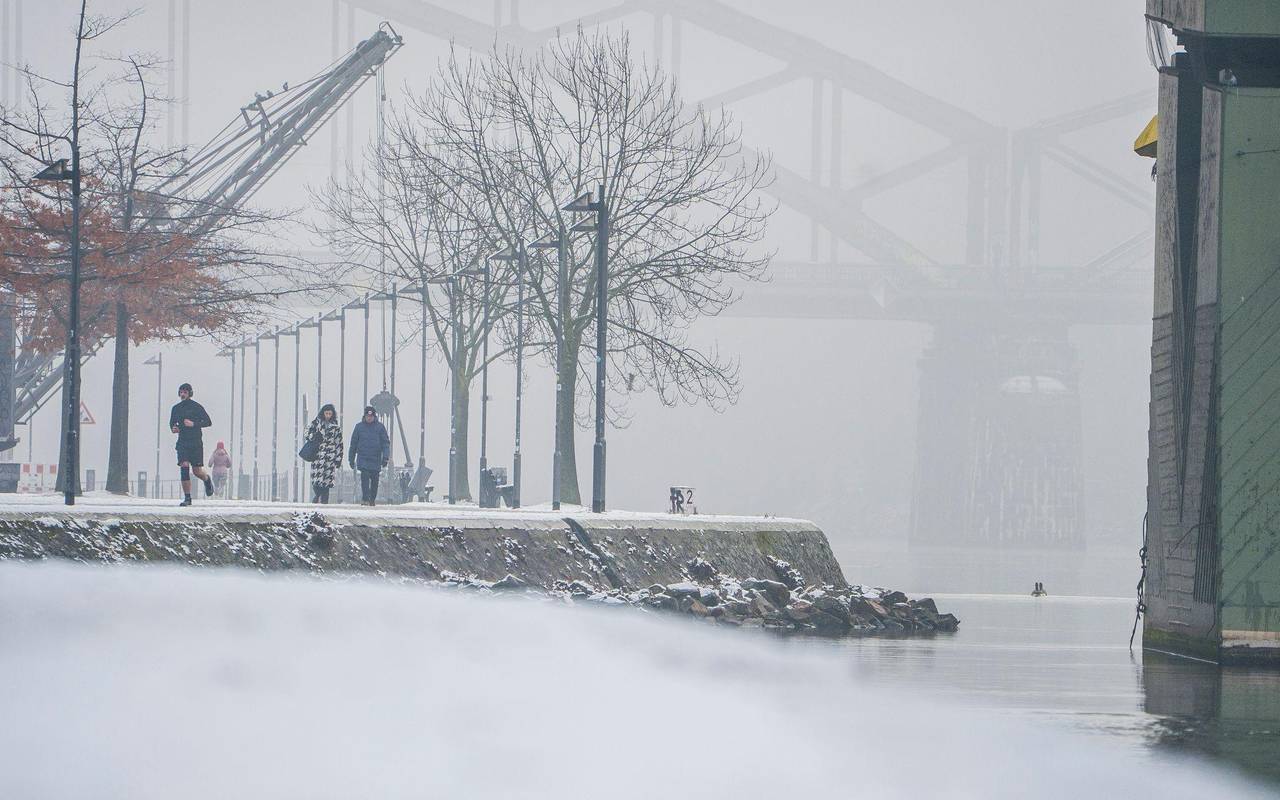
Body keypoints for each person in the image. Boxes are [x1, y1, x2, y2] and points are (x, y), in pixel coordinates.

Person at [169, 382, 214, 506]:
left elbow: (208, 422)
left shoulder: (196, 407)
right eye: (181, 392)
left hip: (195, 442)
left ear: (190, 393)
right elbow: (172, 423)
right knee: (184, 466)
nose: (183, 394)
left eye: (185, 392)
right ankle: (187, 498)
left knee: (196, 471)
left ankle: (207, 479)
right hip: (182, 442)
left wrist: (193, 424)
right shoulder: (176, 408)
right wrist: (174, 428)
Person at [348, 404, 389, 506]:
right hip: (363, 458)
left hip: (375, 458)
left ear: (374, 416)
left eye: (371, 416)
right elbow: (353, 444)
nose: (369, 418)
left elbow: (385, 443)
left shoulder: (380, 428)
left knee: (375, 480)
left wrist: (385, 457)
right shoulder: (359, 427)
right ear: (365, 416)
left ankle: (372, 499)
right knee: (364, 478)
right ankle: (365, 498)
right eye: (367, 416)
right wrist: (351, 459)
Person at [304, 404, 343, 504]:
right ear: (323, 413)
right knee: (316, 481)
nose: (328, 415)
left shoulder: (335, 428)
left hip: (330, 458)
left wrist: (338, 459)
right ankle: (317, 496)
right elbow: (306, 433)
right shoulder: (316, 423)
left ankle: (324, 502)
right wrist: (314, 436)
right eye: (326, 413)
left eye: (330, 413)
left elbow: (339, 444)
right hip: (317, 456)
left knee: (326, 483)